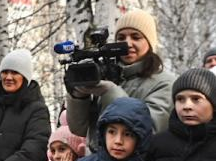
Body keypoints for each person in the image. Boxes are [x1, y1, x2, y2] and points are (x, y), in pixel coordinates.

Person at [66, 9, 176, 151]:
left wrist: (110, 92)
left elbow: (150, 128)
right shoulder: (104, 75)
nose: (128, 43)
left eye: (136, 37)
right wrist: (79, 96)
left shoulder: (165, 83)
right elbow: (79, 129)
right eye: (121, 38)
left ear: (150, 43)